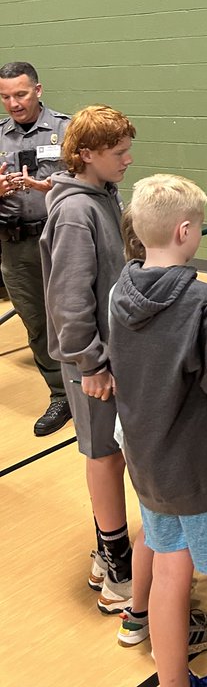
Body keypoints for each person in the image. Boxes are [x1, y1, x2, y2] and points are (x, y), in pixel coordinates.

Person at [109, 175, 207, 687]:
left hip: (150, 466)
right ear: (187, 231)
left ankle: (172, 680)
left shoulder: (119, 291)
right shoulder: (201, 303)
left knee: (170, 570)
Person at [41, 104, 136, 613]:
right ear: (85, 156)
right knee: (103, 456)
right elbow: (69, 299)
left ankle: (106, 548)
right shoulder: (77, 212)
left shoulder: (100, 195)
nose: (127, 159)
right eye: (117, 153)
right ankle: (119, 574)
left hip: (106, 357)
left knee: (110, 454)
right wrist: (90, 363)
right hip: (91, 364)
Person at [0, 61, 71, 435]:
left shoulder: (67, 130)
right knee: (37, 322)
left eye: (21, 94)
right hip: (15, 245)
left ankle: (98, 388)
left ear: (38, 91)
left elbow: (97, 184)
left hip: (61, 239)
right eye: (5, 96)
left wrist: (53, 188)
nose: (13, 103)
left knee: (78, 313)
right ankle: (60, 394)